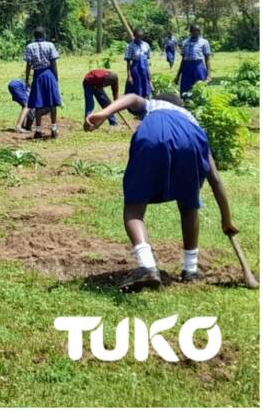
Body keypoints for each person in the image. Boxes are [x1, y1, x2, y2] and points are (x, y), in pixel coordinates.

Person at [84, 92, 238, 292]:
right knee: (189, 205)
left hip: (152, 136)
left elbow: (131, 97)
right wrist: (226, 219)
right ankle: (190, 270)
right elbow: (216, 180)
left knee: (134, 208)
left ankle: (147, 265)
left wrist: (104, 113)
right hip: (192, 141)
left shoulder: (154, 105)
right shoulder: (192, 122)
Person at [23, 26, 62, 139]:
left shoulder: (30, 47)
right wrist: (56, 78)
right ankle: (54, 129)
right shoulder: (50, 45)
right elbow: (53, 63)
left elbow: (28, 65)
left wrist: (27, 79)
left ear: (34, 36)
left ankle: (38, 130)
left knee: (38, 103)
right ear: (44, 35)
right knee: (52, 102)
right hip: (49, 74)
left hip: (38, 75)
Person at [175, 24, 212, 94]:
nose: (197, 32)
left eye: (198, 31)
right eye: (195, 31)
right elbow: (183, 60)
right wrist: (178, 75)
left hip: (199, 66)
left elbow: (207, 59)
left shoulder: (204, 42)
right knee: (186, 88)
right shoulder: (185, 42)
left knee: (200, 87)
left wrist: (209, 75)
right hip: (187, 67)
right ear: (191, 32)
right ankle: (186, 102)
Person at [124, 29, 152, 98]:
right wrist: (129, 76)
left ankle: (144, 100)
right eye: (137, 37)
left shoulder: (146, 45)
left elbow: (147, 59)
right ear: (134, 36)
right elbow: (128, 62)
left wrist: (149, 72)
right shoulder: (130, 46)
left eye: (141, 37)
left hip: (144, 68)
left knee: (145, 85)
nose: (139, 39)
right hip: (135, 68)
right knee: (136, 86)